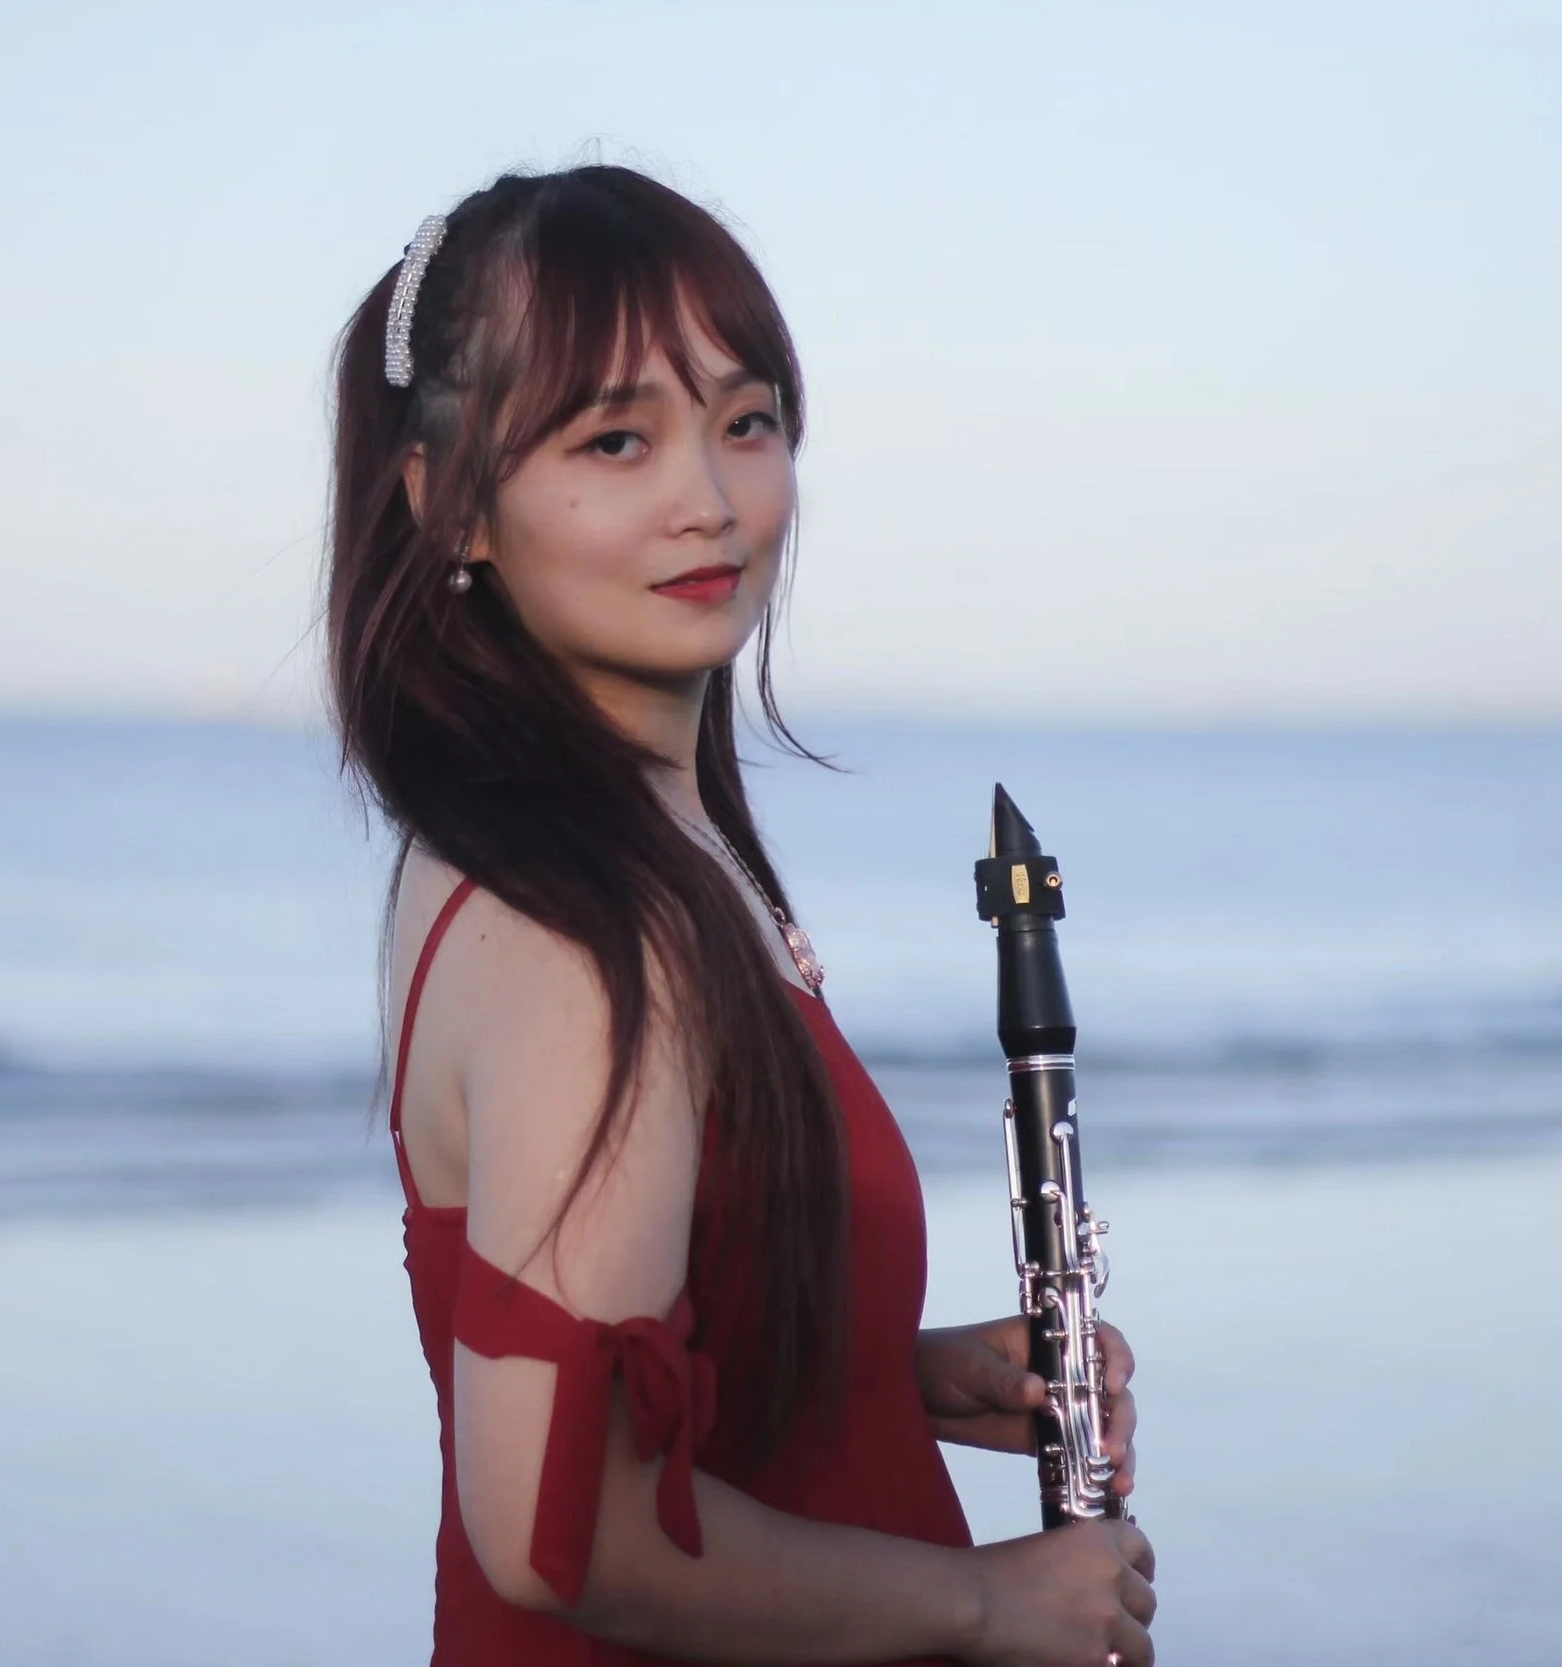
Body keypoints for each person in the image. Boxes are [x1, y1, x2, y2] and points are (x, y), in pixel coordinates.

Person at [326, 165, 1155, 1667]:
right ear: (451, 503)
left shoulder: (630, 846)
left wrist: (885, 1378)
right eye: (615, 438)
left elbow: (636, 1353)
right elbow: (562, 1527)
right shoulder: (583, 931)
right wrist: (982, 1600)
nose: (707, 498)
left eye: (746, 420)